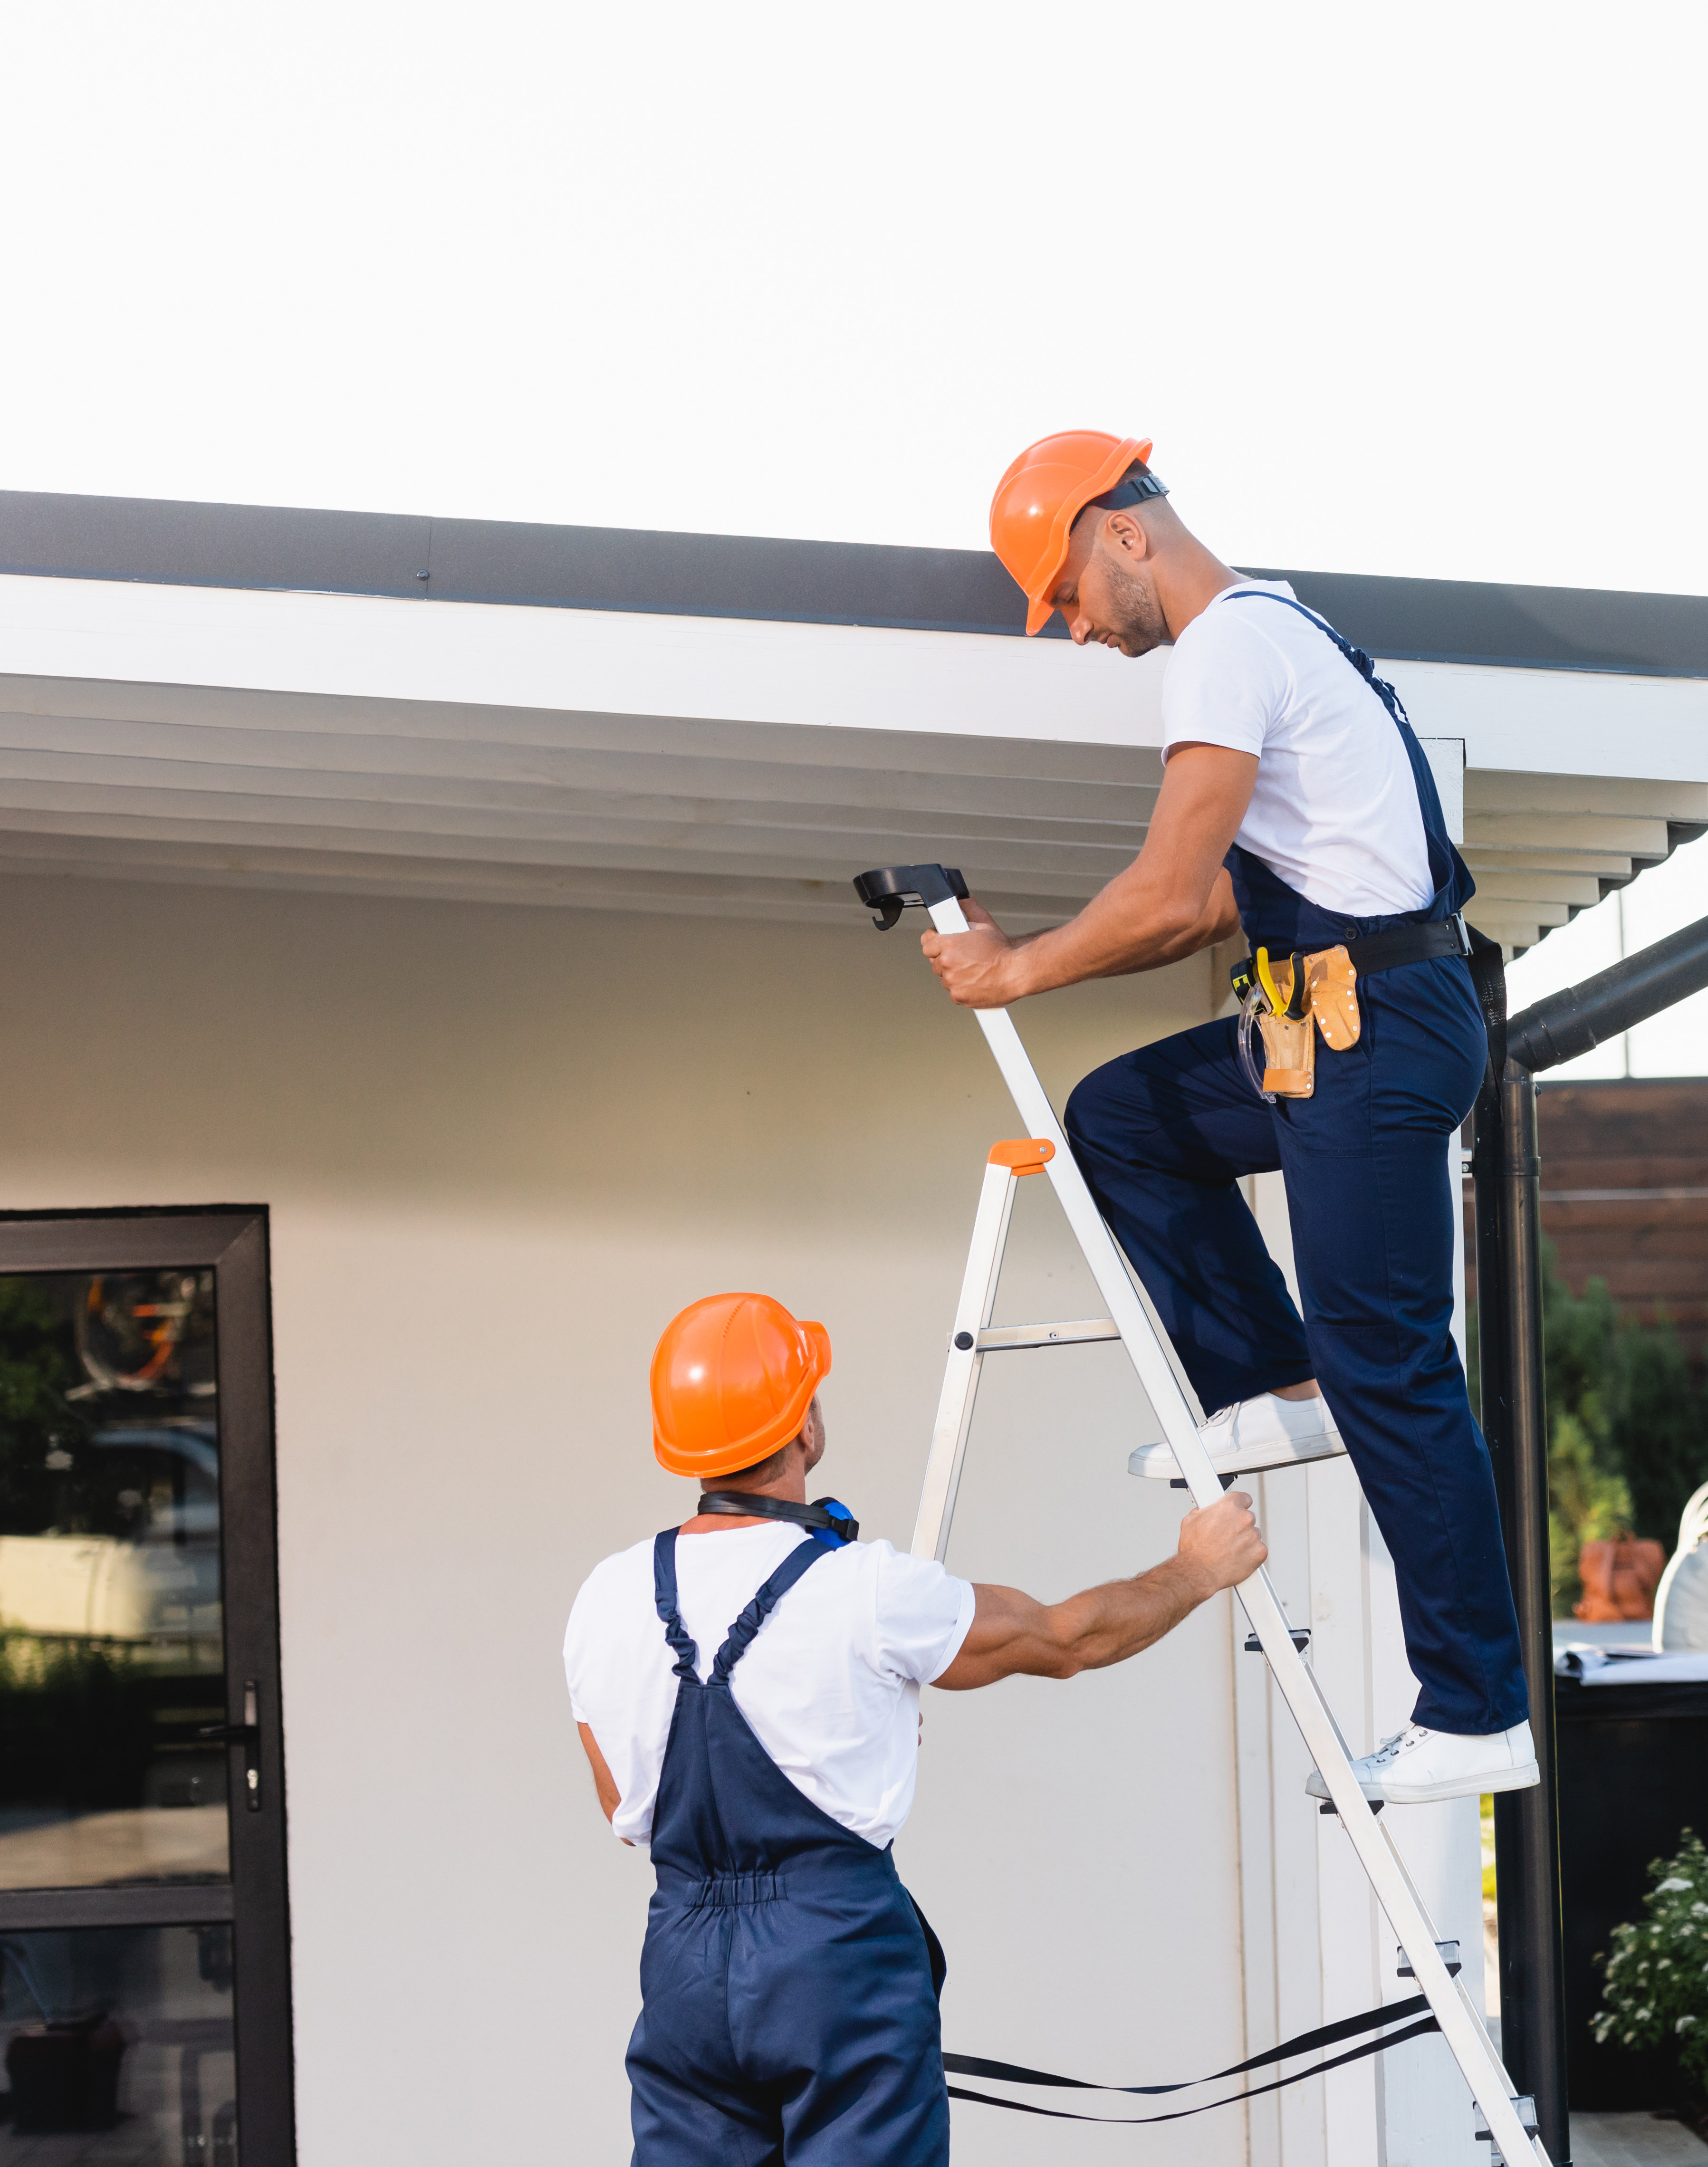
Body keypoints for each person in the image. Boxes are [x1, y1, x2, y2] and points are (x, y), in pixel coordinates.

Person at [913, 430, 1535, 1807]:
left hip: (1369, 1030)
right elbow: (1201, 911)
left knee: (1395, 1358)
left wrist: (1018, 969)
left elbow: (1162, 880)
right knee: (1127, 1117)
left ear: (1123, 531)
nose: (1075, 629)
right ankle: (1278, 1383)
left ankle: (1477, 1705)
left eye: (1068, 594)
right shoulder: (1276, 640)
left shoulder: (1231, 647)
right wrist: (1042, 956)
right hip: (1327, 1025)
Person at [566, 1289, 1265, 2167]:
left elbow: (627, 1812)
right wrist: (1196, 1569)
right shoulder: (869, 1590)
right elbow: (1066, 1640)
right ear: (805, 1427)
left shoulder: (606, 1598)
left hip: (684, 1972)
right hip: (835, 1957)